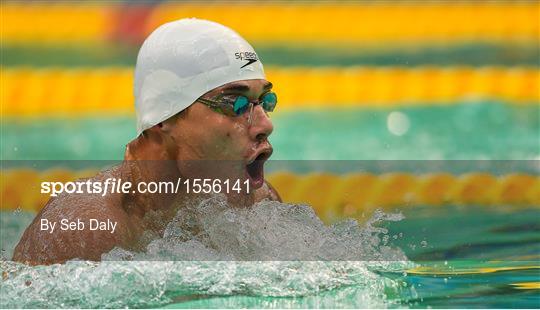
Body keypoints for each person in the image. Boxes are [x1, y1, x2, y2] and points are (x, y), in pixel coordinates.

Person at [13, 19, 281, 265]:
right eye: (235, 104)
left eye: (266, 102)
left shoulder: (262, 203)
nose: (264, 125)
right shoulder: (85, 229)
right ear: (164, 117)